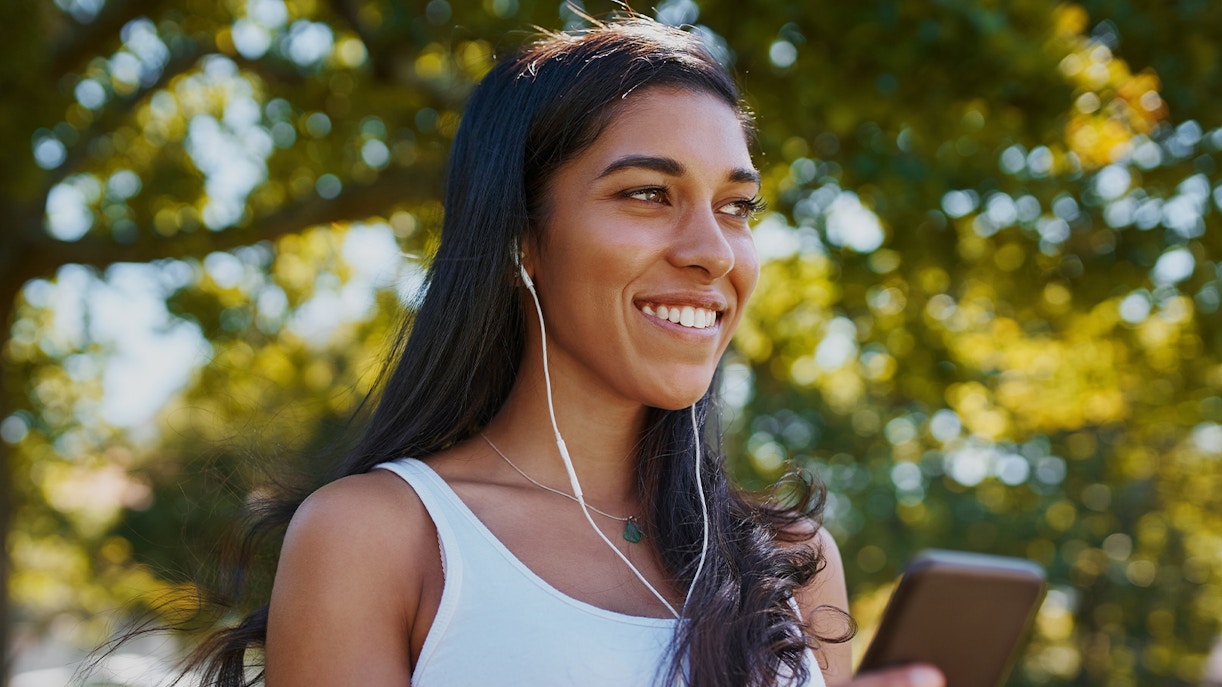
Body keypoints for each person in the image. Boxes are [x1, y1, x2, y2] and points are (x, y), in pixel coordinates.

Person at [188, 15, 945, 687]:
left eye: (737, 206)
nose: (713, 251)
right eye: (648, 192)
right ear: (522, 237)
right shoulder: (379, 536)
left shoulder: (793, 561)